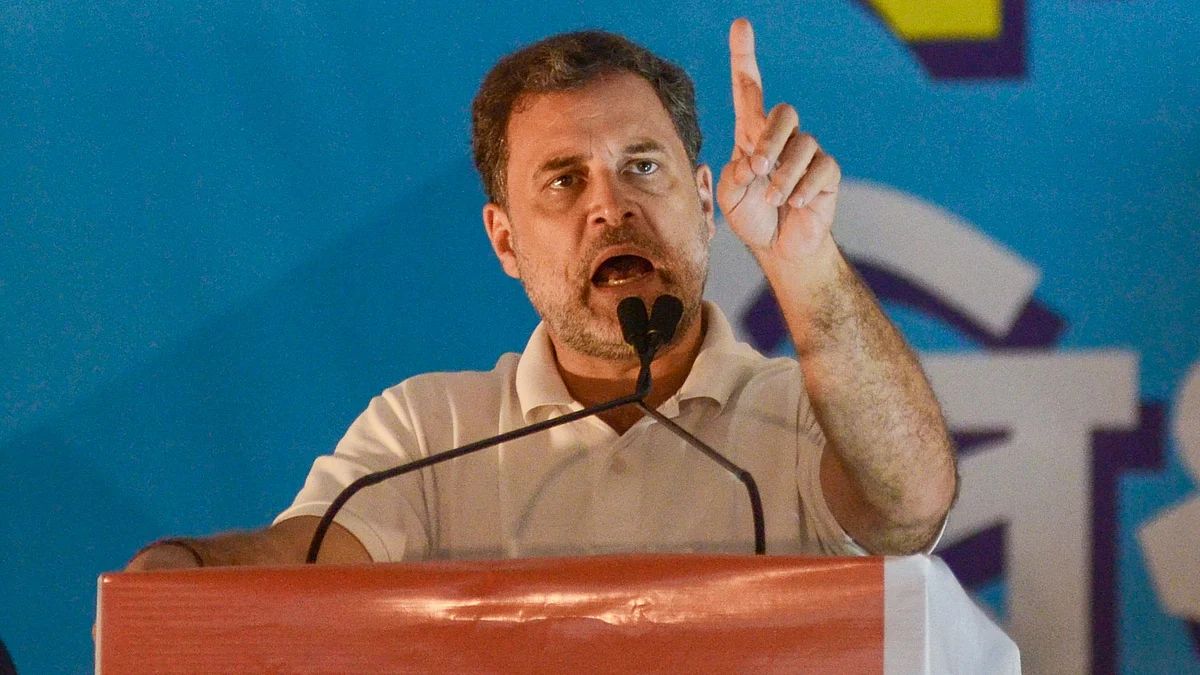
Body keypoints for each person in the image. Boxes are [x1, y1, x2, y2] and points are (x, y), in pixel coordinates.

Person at [126, 18, 956, 571]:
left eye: (643, 165)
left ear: (705, 200)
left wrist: (804, 262)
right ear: (505, 241)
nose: (611, 205)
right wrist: (181, 572)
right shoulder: (428, 431)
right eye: (564, 180)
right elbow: (299, 565)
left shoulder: (808, 408)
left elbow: (908, 506)